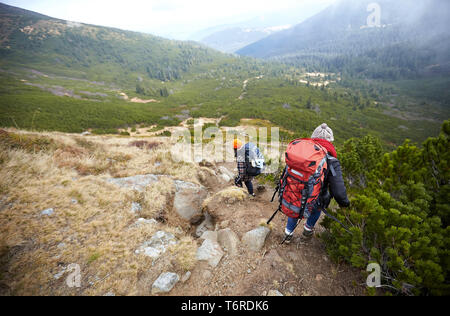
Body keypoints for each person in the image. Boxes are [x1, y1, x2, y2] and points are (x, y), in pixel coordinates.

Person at [285, 123, 350, 243]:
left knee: (294, 209)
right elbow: (339, 192)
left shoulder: (301, 154)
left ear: (313, 137)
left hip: (294, 191)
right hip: (316, 199)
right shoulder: (332, 160)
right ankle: (307, 232)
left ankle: (288, 234)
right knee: (317, 208)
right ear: (330, 141)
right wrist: (346, 204)